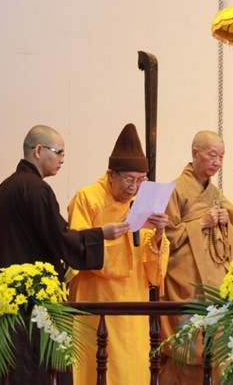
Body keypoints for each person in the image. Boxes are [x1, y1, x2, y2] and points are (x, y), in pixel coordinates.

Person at [0, 125, 129, 385]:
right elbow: (59, 238)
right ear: (38, 150)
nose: (62, 160)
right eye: (59, 153)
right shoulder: (37, 189)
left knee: (12, 370)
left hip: (7, 301)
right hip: (38, 303)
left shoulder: (4, 188)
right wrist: (101, 234)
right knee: (41, 371)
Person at [67, 123, 170, 385]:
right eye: (128, 179)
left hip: (132, 300)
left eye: (140, 180)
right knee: (98, 368)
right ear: (111, 174)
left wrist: (158, 235)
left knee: (131, 369)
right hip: (97, 297)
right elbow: (76, 250)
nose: (133, 187)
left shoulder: (142, 202)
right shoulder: (87, 198)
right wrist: (108, 235)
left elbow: (151, 266)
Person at [160, 130, 233, 384]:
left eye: (221, 157)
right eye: (212, 155)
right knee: (188, 345)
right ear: (194, 153)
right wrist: (200, 223)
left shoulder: (215, 192)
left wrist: (225, 221)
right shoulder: (175, 189)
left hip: (214, 282)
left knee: (215, 346)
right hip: (186, 281)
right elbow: (165, 236)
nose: (217, 162)